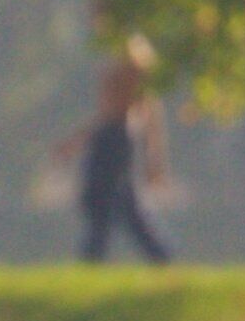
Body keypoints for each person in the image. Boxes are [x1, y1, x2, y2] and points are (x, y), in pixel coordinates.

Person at [56, 32, 171, 263]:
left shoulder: (130, 67)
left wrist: (155, 161)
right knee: (123, 205)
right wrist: (76, 141)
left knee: (101, 201)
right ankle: (159, 257)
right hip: (110, 137)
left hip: (114, 139)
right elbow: (104, 116)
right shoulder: (117, 64)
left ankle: (93, 258)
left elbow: (147, 118)